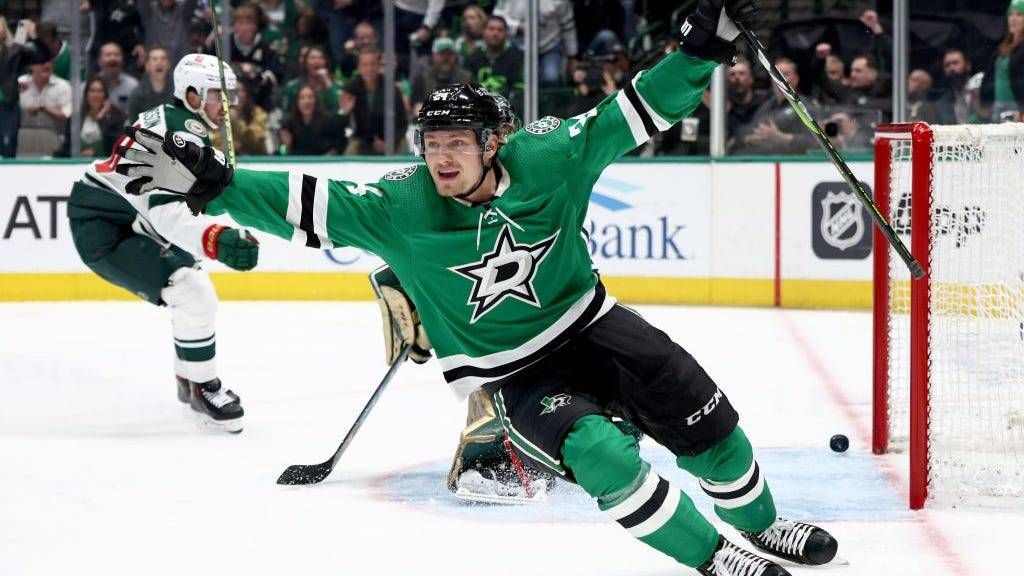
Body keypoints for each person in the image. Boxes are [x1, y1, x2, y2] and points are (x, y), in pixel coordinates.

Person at [118, 2, 840, 574]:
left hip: (594, 323)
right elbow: (303, 202)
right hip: (517, 374)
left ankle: (761, 524)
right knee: (602, 455)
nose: (441, 158)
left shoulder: (549, 157)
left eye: (456, 143)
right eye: (432, 145)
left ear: (492, 144)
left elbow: (635, 110)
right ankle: (716, 560)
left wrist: (700, 49)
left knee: (707, 419)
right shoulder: (401, 206)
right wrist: (218, 183)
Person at [66, 53, 257, 432]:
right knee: (193, 293)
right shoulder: (180, 133)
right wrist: (215, 238)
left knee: (191, 284)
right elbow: (166, 213)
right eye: (217, 95)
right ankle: (203, 387)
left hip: (122, 213)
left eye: (229, 95)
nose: (226, 105)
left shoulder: (174, 119)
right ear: (192, 95)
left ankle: (190, 377)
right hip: (106, 227)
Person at [339, 49, 408, 155]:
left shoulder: (391, 88)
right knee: (350, 152)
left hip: (392, 139)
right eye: (365, 65)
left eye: (373, 64)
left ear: (379, 66)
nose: (369, 69)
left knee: (403, 144)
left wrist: (388, 142)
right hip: (363, 140)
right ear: (359, 67)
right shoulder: (351, 88)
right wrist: (345, 112)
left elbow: (402, 123)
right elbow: (341, 125)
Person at [980, 0, 1024, 122]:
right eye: (1010, 14)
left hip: (1017, 110)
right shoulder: (1003, 47)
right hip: (998, 108)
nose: (1013, 19)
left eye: (1019, 15)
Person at [410, 37, 473, 117]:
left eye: (449, 54)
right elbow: (417, 109)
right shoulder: (422, 79)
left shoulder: (467, 79)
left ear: (455, 56)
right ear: (433, 56)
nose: (446, 58)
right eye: (442, 54)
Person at [280, 83, 346, 155]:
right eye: (302, 98)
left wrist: (331, 154)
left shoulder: (329, 121)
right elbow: (282, 152)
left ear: (316, 101)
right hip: (298, 160)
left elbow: (339, 144)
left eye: (310, 97)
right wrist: (287, 146)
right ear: (297, 103)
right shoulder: (289, 123)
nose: (307, 101)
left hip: (323, 160)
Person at [76, 76, 128, 157]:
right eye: (92, 91)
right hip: (79, 161)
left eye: (99, 91)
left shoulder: (117, 117)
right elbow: (68, 146)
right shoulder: (77, 117)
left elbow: (115, 145)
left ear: (105, 95)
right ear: (86, 94)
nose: (96, 95)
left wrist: (102, 116)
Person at [127, 45, 175, 119]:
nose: (159, 62)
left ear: (169, 64)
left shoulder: (179, 90)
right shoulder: (137, 96)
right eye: (154, 59)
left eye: (163, 58)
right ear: (147, 66)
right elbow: (134, 123)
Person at [96, 42, 139, 114]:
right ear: (99, 61)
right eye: (108, 55)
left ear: (122, 60)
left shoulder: (133, 86)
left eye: (117, 55)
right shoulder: (90, 86)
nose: (113, 58)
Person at [934, 48, 973, 125]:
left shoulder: (980, 91)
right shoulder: (941, 104)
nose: (951, 68)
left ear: (968, 65)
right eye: (947, 65)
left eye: (955, 63)